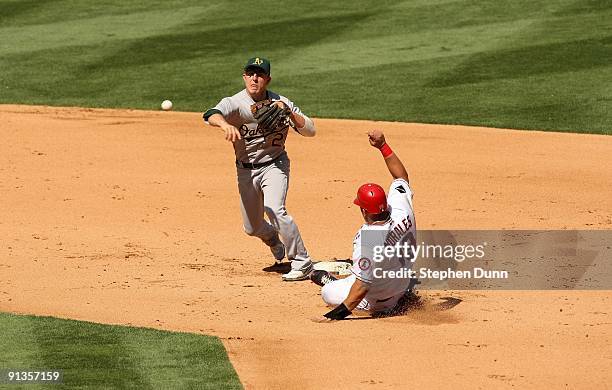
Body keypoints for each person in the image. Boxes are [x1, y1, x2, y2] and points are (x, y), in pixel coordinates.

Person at [203, 57, 316, 281]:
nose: (255, 78)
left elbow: (311, 131)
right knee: (252, 227)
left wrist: (289, 113)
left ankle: (302, 262)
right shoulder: (234, 102)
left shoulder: (281, 102)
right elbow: (210, 114)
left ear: (268, 79)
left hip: (275, 165)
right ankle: (273, 239)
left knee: (274, 208)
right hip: (245, 170)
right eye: (251, 73)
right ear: (244, 76)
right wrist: (225, 124)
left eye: (260, 74)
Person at [311, 130, 418, 319]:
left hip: (378, 299)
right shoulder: (401, 208)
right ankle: (400, 296)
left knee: (328, 292)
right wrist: (382, 146)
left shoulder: (368, 241)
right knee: (371, 269)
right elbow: (401, 177)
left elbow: (361, 289)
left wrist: (337, 314)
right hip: (402, 283)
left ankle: (333, 282)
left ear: (364, 211)